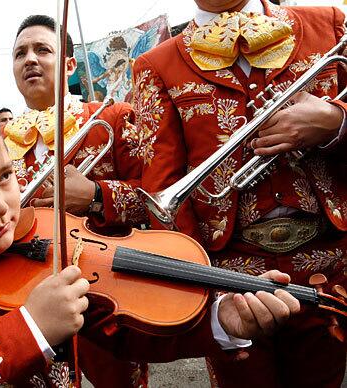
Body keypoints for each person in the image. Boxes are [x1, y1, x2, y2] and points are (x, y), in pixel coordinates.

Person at [0, 99, 300, 387]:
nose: (1, 207)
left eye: (6, 177)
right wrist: (30, 329)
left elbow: (120, 330)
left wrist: (221, 321)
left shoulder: (46, 231)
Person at [134, 1, 347, 387]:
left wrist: (336, 121)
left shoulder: (330, 25)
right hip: (231, 286)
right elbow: (162, 190)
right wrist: (208, 300)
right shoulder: (155, 65)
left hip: (331, 269)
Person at [8, 14, 157, 384]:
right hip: (25, 296)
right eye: (19, 53)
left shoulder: (113, 117)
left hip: (107, 293)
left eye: (43, 49)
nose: (29, 59)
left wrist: (95, 195)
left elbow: (159, 201)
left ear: (69, 64)